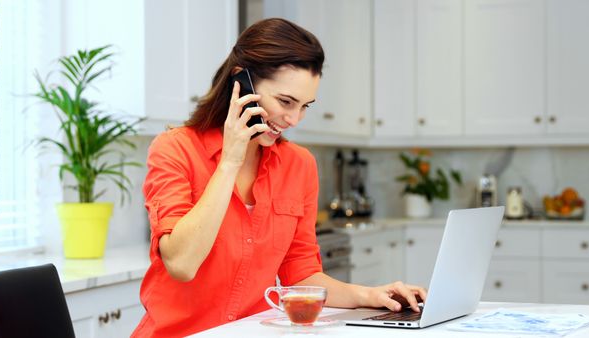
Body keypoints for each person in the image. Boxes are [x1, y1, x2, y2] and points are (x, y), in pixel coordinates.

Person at [132, 18, 427, 338]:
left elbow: (300, 274)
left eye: (304, 107)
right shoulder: (175, 148)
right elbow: (182, 264)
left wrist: (369, 296)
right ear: (240, 83)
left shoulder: (299, 165)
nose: (294, 119)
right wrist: (230, 160)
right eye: (285, 102)